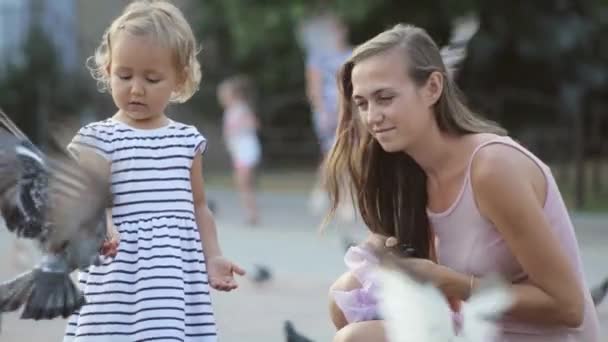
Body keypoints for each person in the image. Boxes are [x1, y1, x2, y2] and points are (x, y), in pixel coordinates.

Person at [323, 24, 600, 341]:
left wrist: (453, 282)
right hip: (474, 328)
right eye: (362, 103)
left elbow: (569, 307)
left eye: (385, 98)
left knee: (357, 338)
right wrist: (392, 259)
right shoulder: (410, 171)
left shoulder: (492, 168)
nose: (372, 116)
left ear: (432, 88)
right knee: (345, 295)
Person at [63, 1, 244, 340]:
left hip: (171, 281)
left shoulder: (187, 141)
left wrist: (214, 255)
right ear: (107, 71)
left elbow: (199, 206)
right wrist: (102, 224)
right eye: (124, 75)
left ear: (180, 79)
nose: (136, 88)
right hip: (116, 280)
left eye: (152, 78)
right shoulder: (98, 138)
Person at [301, 13, 354, 221]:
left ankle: (329, 194)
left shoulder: (352, 53)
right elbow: (313, 88)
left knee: (344, 152)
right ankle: (333, 195)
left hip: (349, 110)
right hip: (327, 112)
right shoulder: (317, 57)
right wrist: (323, 111)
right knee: (336, 152)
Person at [218, 75, 262, 225]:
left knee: (243, 183)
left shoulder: (241, 109)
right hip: (238, 152)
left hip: (246, 150)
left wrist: (238, 129)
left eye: (224, 95)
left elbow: (253, 125)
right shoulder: (229, 111)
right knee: (243, 184)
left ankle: (252, 213)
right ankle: (251, 213)